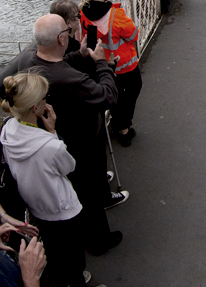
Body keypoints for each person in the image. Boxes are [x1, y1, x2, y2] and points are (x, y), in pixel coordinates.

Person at [0, 14, 124, 255]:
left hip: (54, 139)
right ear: (61, 38)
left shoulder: (28, 58)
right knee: (88, 193)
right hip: (78, 143)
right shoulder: (70, 79)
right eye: (68, 30)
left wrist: (79, 55)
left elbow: (54, 63)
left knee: (78, 192)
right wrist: (100, 62)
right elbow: (108, 96)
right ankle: (99, 241)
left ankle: (87, 233)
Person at [1, 73, 108, 287]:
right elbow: (69, 167)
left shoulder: (8, 131)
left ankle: (62, 283)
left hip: (37, 206)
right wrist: (52, 132)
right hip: (62, 206)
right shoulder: (49, 145)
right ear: (38, 107)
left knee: (54, 248)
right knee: (73, 253)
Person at [80, 0, 141, 148]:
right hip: (124, 63)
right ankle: (123, 128)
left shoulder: (85, 13)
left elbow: (90, 40)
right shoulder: (116, 14)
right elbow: (133, 34)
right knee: (133, 89)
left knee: (115, 96)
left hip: (103, 65)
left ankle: (119, 124)